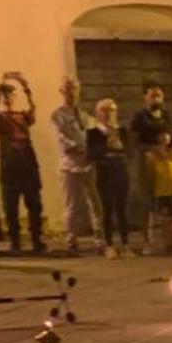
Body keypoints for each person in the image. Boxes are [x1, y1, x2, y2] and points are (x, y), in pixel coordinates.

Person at [0, 71, 46, 254]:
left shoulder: (22, 116)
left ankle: (37, 239)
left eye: (9, 94)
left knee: (34, 205)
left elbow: (33, 108)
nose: (7, 98)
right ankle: (15, 241)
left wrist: (25, 85)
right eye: (5, 95)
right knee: (11, 207)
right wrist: (1, 86)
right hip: (9, 166)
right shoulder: (0, 119)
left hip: (28, 165)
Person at [51, 76, 99, 256]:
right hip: (70, 166)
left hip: (88, 164)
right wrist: (80, 148)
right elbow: (62, 140)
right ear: (62, 92)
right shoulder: (58, 115)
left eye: (75, 89)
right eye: (68, 89)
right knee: (72, 204)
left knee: (95, 202)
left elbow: (93, 135)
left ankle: (99, 237)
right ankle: (72, 239)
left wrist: (94, 151)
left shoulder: (85, 115)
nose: (72, 93)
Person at [87, 98, 132, 256]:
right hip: (104, 174)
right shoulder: (93, 133)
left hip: (121, 172)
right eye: (104, 110)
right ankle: (109, 245)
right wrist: (106, 144)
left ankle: (125, 243)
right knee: (107, 209)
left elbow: (130, 151)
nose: (108, 114)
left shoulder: (122, 131)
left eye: (111, 110)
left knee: (122, 209)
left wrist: (121, 145)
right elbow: (91, 154)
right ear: (97, 113)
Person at [128, 82, 172, 234]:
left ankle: (169, 238)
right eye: (153, 95)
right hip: (146, 161)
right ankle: (148, 237)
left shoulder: (167, 115)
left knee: (166, 199)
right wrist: (151, 148)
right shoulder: (139, 117)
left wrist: (170, 141)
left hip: (165, 161)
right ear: (145, 97)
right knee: (146, 198)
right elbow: (133, 141)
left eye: (159, 95)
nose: (156, 99)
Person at [143, 128, 172, 252]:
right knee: (167, 219)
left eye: (167, 135)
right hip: (162, 192)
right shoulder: (151, 155)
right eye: (162, 136)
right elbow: (149, 174)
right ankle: (168, 244)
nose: (165, 138)